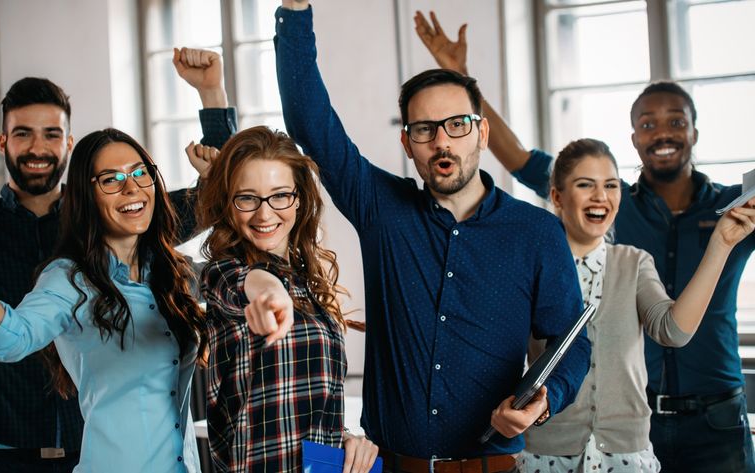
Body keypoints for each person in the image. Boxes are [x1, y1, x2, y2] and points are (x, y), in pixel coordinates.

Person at [414, 11, 755, 472]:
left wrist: (721, 243)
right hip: (562, 445)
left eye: (676, 121)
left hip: (706, 420)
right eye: (648, 124)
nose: (663, 133)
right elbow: (517, 159)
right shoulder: (541, 253)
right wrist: (462, 80)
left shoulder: (727, 213)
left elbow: (672, 329)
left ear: (696, 130)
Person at [275, 3, 591, 471]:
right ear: (408, 143)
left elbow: (573, 341)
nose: (442, 142)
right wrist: (295, 9)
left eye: (457, 125)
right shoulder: (381, 209)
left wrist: (542, 403)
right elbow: (310, 123)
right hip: (394, 464)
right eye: (424, 129)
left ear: (481, 133)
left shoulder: (536, 232)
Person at [0, 67, 230, 472]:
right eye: (23, 134)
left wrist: (211, 93)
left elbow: (218, 192)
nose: (38, 147)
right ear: (3, 142)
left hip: (83, 445)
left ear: (68, 144)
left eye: (51, 134)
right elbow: (7, 338)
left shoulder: (113, 220)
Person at [515, 138, 755, 472]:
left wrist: (722, 243)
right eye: (586, 185)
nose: (601, 196)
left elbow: (673, 331)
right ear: (557, 196)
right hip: (547, 454)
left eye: (611, 185)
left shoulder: (634, 263)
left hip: (625, 456)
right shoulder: (530, 265)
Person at [196, 124, 379, 472]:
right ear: (228, 203)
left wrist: (343, 439)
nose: (264, 214)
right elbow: (250, 284)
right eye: (247, 198)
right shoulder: (222, 273)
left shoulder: (307, 284)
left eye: (279, 195)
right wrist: (269, 293)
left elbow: (308, 402)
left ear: (300, 198)